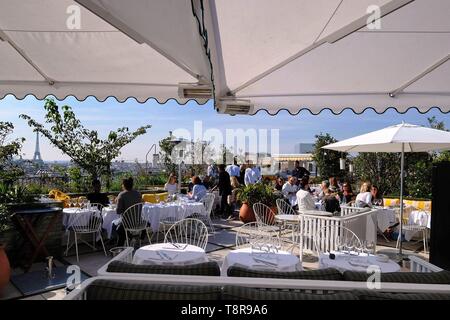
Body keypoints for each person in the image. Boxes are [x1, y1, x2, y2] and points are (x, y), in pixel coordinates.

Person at [115, 177, 142, 246]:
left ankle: (119, 246)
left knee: (117, 227)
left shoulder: (122, 195)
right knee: (119, 226)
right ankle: (131, 237)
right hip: (138, 221)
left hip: (128, 223)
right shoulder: (138, 194)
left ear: (123, 185)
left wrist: (117, 202)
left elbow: (118, 211)